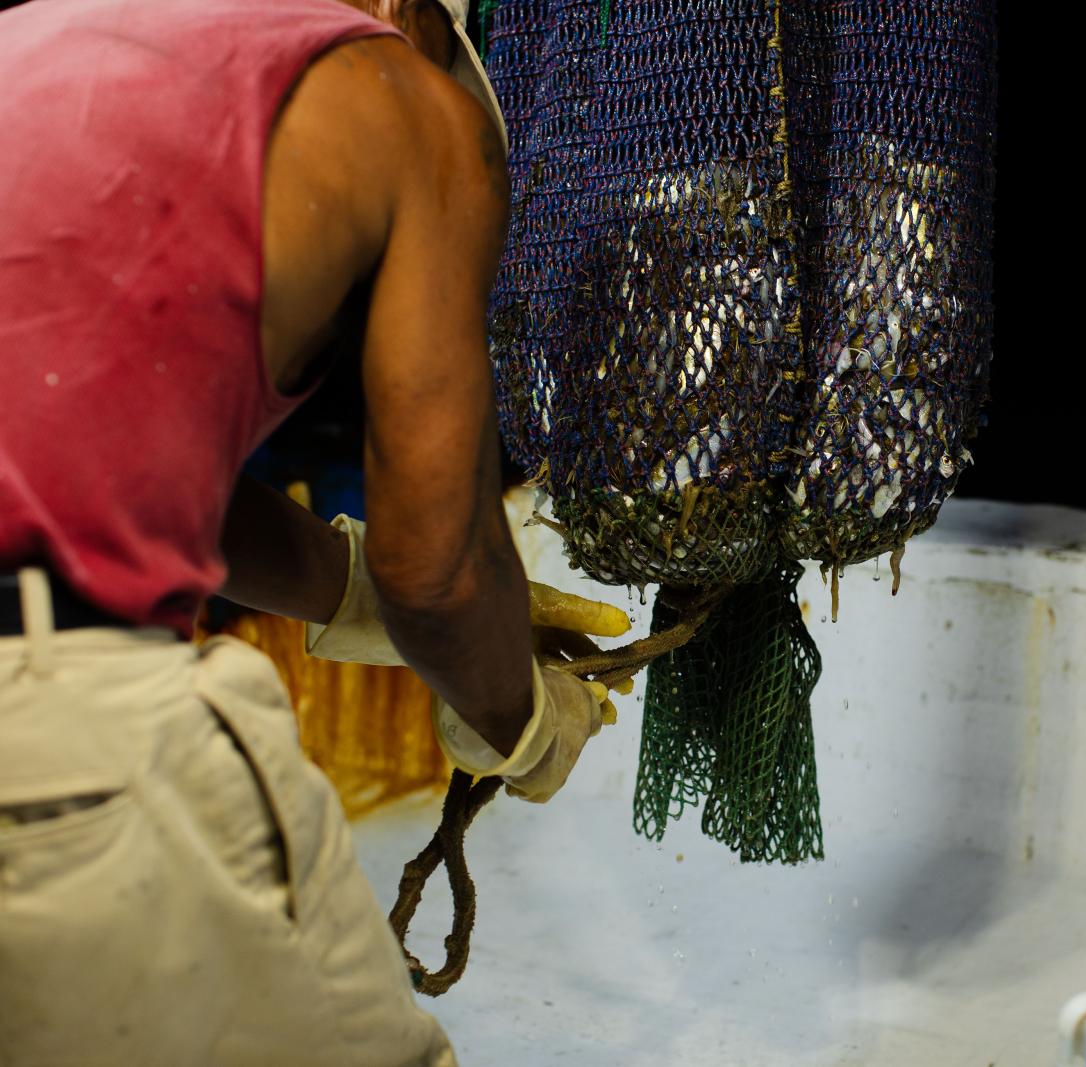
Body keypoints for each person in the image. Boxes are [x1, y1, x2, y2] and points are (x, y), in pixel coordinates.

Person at [0, 0, 628, 1062]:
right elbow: (438, 573)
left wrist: (350, 594)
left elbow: (104, 473)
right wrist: (521, 718)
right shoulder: (398, 98)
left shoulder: (39, 41)